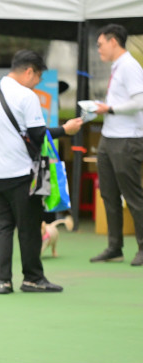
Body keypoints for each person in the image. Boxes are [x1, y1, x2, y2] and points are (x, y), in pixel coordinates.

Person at [0, 50, 83, 294]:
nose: (37, 83)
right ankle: (33, 278)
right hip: (19, 172)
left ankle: (3, 281)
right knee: (29, 227)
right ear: (29, 71)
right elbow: (37, 134)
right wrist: (65, 130)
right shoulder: (26, 96)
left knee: (3, 225)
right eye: (38, 77)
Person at [90, 24, 143, 267]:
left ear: (113, 42)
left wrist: (109, 109)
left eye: (100, 44)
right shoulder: (118, 66)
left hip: (127, 138)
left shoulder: (129, 66)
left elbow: (140, 101)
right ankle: (114, 247)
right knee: (109, 194)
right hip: (109, 137)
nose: (98, 49)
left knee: (132, 195)